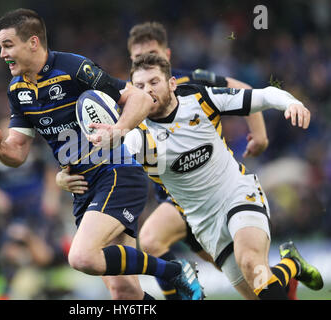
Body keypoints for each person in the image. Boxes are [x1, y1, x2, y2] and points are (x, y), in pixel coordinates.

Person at [0, 9, 203, 300]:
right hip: (83, 190)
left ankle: (173, 271)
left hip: (116, 173)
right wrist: (0, 149)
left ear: (33, 42)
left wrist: (119, 129)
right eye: (0, 46)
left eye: (7, 45)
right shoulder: (17, 90)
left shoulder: (73, 68)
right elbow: (18, 151)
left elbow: (138, 98)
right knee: (123, 291)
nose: (2, 54)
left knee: (82, 257)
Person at [56, 21, 273, 299]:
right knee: (235, 271)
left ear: (167, 57)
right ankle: (286, 271)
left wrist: (260, 135)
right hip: (171, 196)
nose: (147, 64)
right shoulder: (128, 98)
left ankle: (279, 273)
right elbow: (102, 144)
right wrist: (62, 175)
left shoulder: (188, 81)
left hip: (203, 191)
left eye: (153, 56)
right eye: (138, 59)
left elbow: (242, 91)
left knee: (160, 242)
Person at [94, 52, 322, 299]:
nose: (147, 90)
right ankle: (292, 265)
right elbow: (103, 171)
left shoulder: (200, 99)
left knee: (250, 262)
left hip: (238, 195)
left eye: (153, 82)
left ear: (172, 83)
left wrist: (291, 103)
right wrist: (68, 176)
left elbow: (263, 95)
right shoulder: (136, 136)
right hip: (205, 226)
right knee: (258, 289)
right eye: (139, 86)